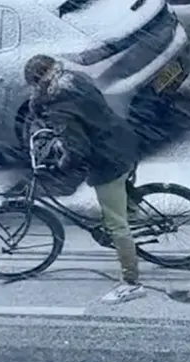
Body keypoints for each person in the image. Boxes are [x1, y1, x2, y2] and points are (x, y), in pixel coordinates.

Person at [24, 54, 146, 304]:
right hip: (122, 140)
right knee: (121, 200)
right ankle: (132, 212)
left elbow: (78, 149)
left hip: (108, 160)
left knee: (116, 225)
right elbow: (88, 119)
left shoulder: (59, 107)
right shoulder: (75, 80)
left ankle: (132, 283)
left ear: (37, 83)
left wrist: (61, 165)